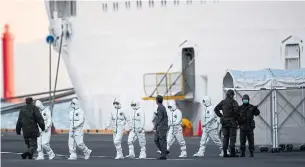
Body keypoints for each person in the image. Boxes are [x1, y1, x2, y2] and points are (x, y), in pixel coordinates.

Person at [214, 89, 239, 157]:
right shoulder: (233, 102)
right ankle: (232, 153)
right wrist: (236, 119)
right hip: (232, 122)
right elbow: (237, 111)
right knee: (232, 137)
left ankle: (225, 153)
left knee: (225, 137)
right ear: (231, 95)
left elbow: (216, 109)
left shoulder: (223, 102)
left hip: (224, 122)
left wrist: (221, 116)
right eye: (232, 95)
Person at [153, 95, 169, 160]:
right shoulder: (162, 107)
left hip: (162, 126)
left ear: (157, 101)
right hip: (162, 125)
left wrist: (155, 126)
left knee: (162, 140)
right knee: (156, 139)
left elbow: (160, 118)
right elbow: (162, 116)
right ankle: (164, 151)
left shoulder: (160, 108)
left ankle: (163, 155)